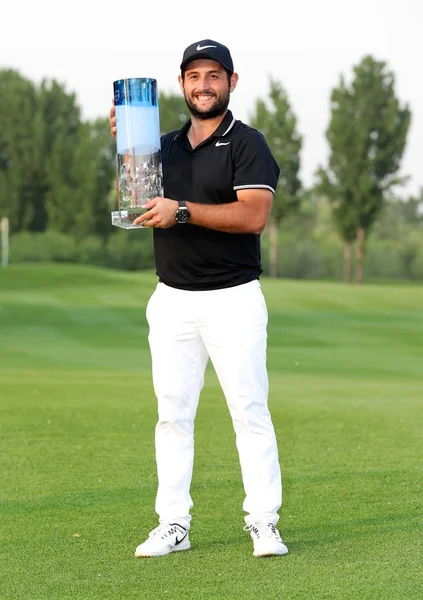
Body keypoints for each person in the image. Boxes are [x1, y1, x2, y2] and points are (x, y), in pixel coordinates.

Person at [109, 39, 288, 559]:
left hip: (234, 299)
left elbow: (252, 215)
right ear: (182, 84)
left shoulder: (248, 143)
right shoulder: (162, 147)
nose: (203, 85)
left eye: (214, 75)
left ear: (232, 82)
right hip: (172, 301)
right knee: (172, 415)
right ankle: (173, 524)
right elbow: (139, 204)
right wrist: (128, 149)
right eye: (193, 76)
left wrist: (182, 210)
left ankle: (263, 522)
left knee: (249, 411)